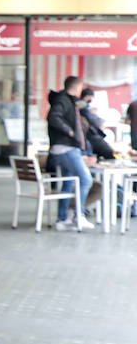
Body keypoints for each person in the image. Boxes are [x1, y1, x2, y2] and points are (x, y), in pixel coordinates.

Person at [47, 76, 96, 230]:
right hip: (66, 147)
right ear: (77, 87)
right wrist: (69, 131)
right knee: (86, 179)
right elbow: (53, 117)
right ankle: (78, 215)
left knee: (68, 182)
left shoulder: (65, 100)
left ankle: (63, 219)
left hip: (63, 147)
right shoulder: (63, 100)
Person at [79, 88, 115, 160]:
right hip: (90, 134)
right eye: (92, 97)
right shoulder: (83, 106)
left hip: (87, 135)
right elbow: (91, 119)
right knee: (109, 153)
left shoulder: (83, 106)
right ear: (87, 96)